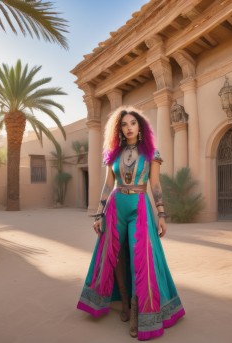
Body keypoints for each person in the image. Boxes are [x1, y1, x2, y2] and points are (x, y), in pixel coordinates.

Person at [76, 107, 185, 340]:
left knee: (141, 258)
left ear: (140, 127)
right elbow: (108, 185)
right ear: (120, 128)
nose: (128, 128)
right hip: (116, 205)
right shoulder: (113, 154)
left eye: (133, 123)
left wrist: (162, 214)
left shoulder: (152, 153)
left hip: (140, 206)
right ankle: (125, 304)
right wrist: (99, 213)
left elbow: (155, 185)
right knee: (115, 255)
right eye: (124, 124)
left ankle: (139, 312)